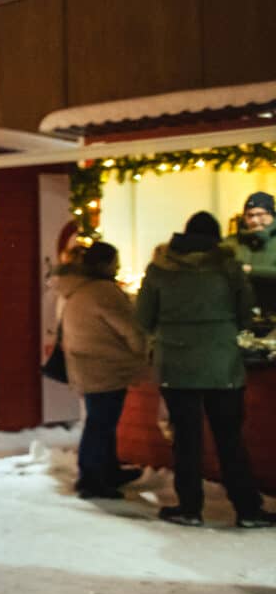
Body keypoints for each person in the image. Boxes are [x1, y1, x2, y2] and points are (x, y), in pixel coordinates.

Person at [137, 211, 274, 528]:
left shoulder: (159, 268)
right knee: (230, 439)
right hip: (221, 365)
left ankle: (189, 508)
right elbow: (245, 316)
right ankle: (247, 509)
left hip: (176, 365)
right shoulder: (228, 267)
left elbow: (143, 318)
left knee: (186, 439)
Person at [48, 241, 149, 498]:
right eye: (115, 262)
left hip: (85, 363)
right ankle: (92, 477)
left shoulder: (74, 288)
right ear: (105, 264)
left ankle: (107, 469)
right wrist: (143, 350)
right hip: (106, 365)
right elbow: (129, 328)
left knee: (100, 420)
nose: (117, 267)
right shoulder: (103, 291)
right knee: (100, 423)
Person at [226, 191, 276, 278]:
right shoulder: (231, 242)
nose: (254, 220)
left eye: (260, 215)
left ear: (271, 215)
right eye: (249, 215)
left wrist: (252, 271)